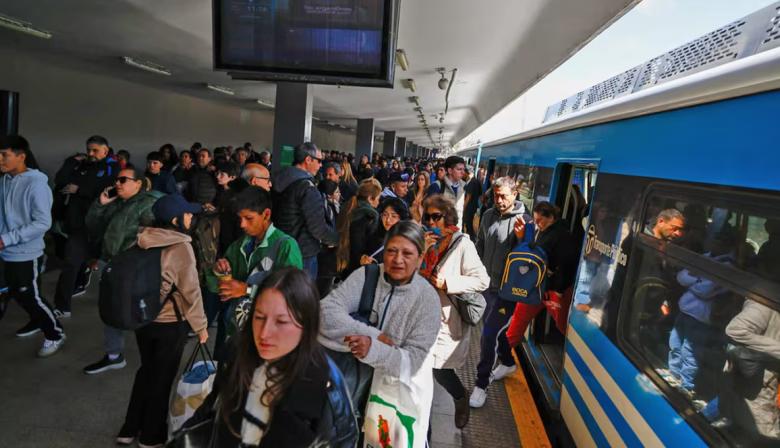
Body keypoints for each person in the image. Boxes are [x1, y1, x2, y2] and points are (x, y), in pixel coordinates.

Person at [181, 268, 357, 446]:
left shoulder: (324, 381)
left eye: (281, 322)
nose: (264, 333)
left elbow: (342, 439)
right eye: (259, 317)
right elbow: (212, 407)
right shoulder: (236, 351)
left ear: (306, 323)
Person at [319, 221, 441, 443]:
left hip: (398, 399)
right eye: (391, 251)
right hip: (354, 391)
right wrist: (372, 336)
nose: (397, 259)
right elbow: (325, 312)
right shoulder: (366, 276)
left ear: (420, 258)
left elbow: (412, 362)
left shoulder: (428, 300)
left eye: (407, 253)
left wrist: (372, 349)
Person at [115, 194, 209, 447]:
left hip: (142, 320)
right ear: (175, 219)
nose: (191, 217)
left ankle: (129, 428)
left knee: (146, 371)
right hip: (169, 323)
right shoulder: (180, 247)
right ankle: (151, 436)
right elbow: (191, 292)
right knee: (162, 378)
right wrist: (201, 327)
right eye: (187, 214)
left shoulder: (142, 239)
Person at [83, 165, 164, 374]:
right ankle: (113, 355)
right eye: (117, 180)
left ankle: (153, 357)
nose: (117, 184)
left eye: (123, 180)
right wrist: (100, 205)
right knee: (112, 308)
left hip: (133, 267)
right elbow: (93, 227)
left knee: (140, 309)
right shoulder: (117, 203)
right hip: (112, 263)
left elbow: (156, 235)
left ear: (138, 183)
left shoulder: (148, 204)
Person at [206, 187, 304, 357]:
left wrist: (247, 290)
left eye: (249, 218)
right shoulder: (239, 246)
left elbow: (293, 294)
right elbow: (216, 286)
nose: (242, 224)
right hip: (234, 330)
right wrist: (219, 272)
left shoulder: (286, 246)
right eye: (240, 219)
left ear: (266, 214)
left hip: (267, 337)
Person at [419, 195, 489, 428]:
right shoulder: (422, 241)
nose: (430, 222)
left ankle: (460, 397)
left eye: (436, 217)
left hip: (444, 320)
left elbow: (482, 281)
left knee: (440, 370)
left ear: (447, 218)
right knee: (419, 373)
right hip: (418, 315)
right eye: (427, 217)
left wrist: (448, 282)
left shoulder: (462, 245)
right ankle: (422, 427)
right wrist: (422, 251)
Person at [0, 135, 66, 357]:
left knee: (30, 296)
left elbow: (42, 223)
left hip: (26, 253)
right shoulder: (5, 180)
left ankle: (55, 333)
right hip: (7, 251)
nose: (0, 159)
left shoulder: (36, 183)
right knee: (20, 294)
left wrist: (6, 239)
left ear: (21, 156)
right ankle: (37, 321)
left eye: (4, 155)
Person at [469, 177, 527, 408]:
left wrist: (523, 239)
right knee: (496, 329)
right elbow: (480, 244)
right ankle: (507, 361)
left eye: (504, 196)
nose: (499, 200)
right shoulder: (487, 215)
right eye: (496, 196)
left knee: (489, 334)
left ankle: (481, 385)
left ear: (515, 194)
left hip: (507, 291)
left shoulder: (524, 222)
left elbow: (528, 259)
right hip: (487, 286)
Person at [52, 135, 119, 318]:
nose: (90, 153)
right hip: (79, 226)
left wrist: (80, 190)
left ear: (105, 151)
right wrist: (70, 161)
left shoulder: (112, 167)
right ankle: (62, 306)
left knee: (112, 269)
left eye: (95, 150)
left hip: (102, 226)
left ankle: (117, 304)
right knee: (70, 263)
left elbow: (109, 190)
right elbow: (61, 180)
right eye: (88, 149)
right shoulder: (81, 165)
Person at [503, 202, 578, 358]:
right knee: (519, 319)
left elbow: (567, 265)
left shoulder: (562, 236)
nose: (537, 224)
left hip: (551, 290)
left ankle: (575, 358)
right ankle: (502, 355)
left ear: (551, 218)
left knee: (562, 324)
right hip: (539, 287)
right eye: (535, 220)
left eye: (540, 220)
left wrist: (558, 288)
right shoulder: (544, 231)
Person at [272, 142, 337, 280]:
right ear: (308, 160)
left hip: (279, 247)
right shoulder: (307, 188)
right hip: (303, 253)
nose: (321, 165)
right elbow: (317, 228)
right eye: (319, 161)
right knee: (301, 297)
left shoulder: (278, 180)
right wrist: (335, 239)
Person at [335, 178, 382, 278]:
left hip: (341, 260)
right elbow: (369, 244)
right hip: (358, 266)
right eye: (378, 198)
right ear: (370, 198)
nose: (378, 202)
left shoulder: (347, 207)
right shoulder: (370, 216)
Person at [426, 156, 467, 228]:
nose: (463, 172)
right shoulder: (437, 186)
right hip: (439, 232)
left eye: (463, 169)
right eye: (459, 169)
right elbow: (429, 212)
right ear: (450, 171)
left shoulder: (463, 187)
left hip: (456, 231)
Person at [316, 179, 341, 298]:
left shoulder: (332, 207)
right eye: (337, 192)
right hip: (325, 257)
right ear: (329, 195)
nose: (339, 195)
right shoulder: (327, 209)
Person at [463, 167, 483, 240]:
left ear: (467, 173)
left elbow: (468, 197)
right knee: (469, 222)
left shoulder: (471, 182)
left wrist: (463, 207)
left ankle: (471, 238)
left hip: (469, 207)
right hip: (474, 206)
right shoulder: (477, 181)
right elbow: (481, 195)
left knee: (468, 223)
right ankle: (471, 237)